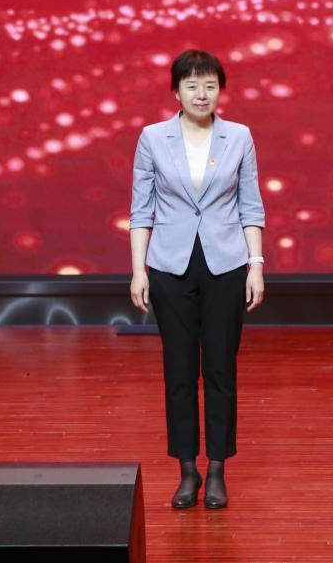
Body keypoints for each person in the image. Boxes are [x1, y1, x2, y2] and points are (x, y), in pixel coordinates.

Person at [128, 49, 266, 510]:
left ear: (220, 90)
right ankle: (187, 470)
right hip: (170, 266)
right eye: (191, 85)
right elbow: (140, 211)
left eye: (209, 85)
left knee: (221, 369)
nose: (201, 94)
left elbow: (250, 206)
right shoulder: (152, 138)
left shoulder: (239, 136)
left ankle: (218, 469)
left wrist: (256, 264)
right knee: (180, 371)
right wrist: (139, 270)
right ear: (176, 92)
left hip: (226, 266)